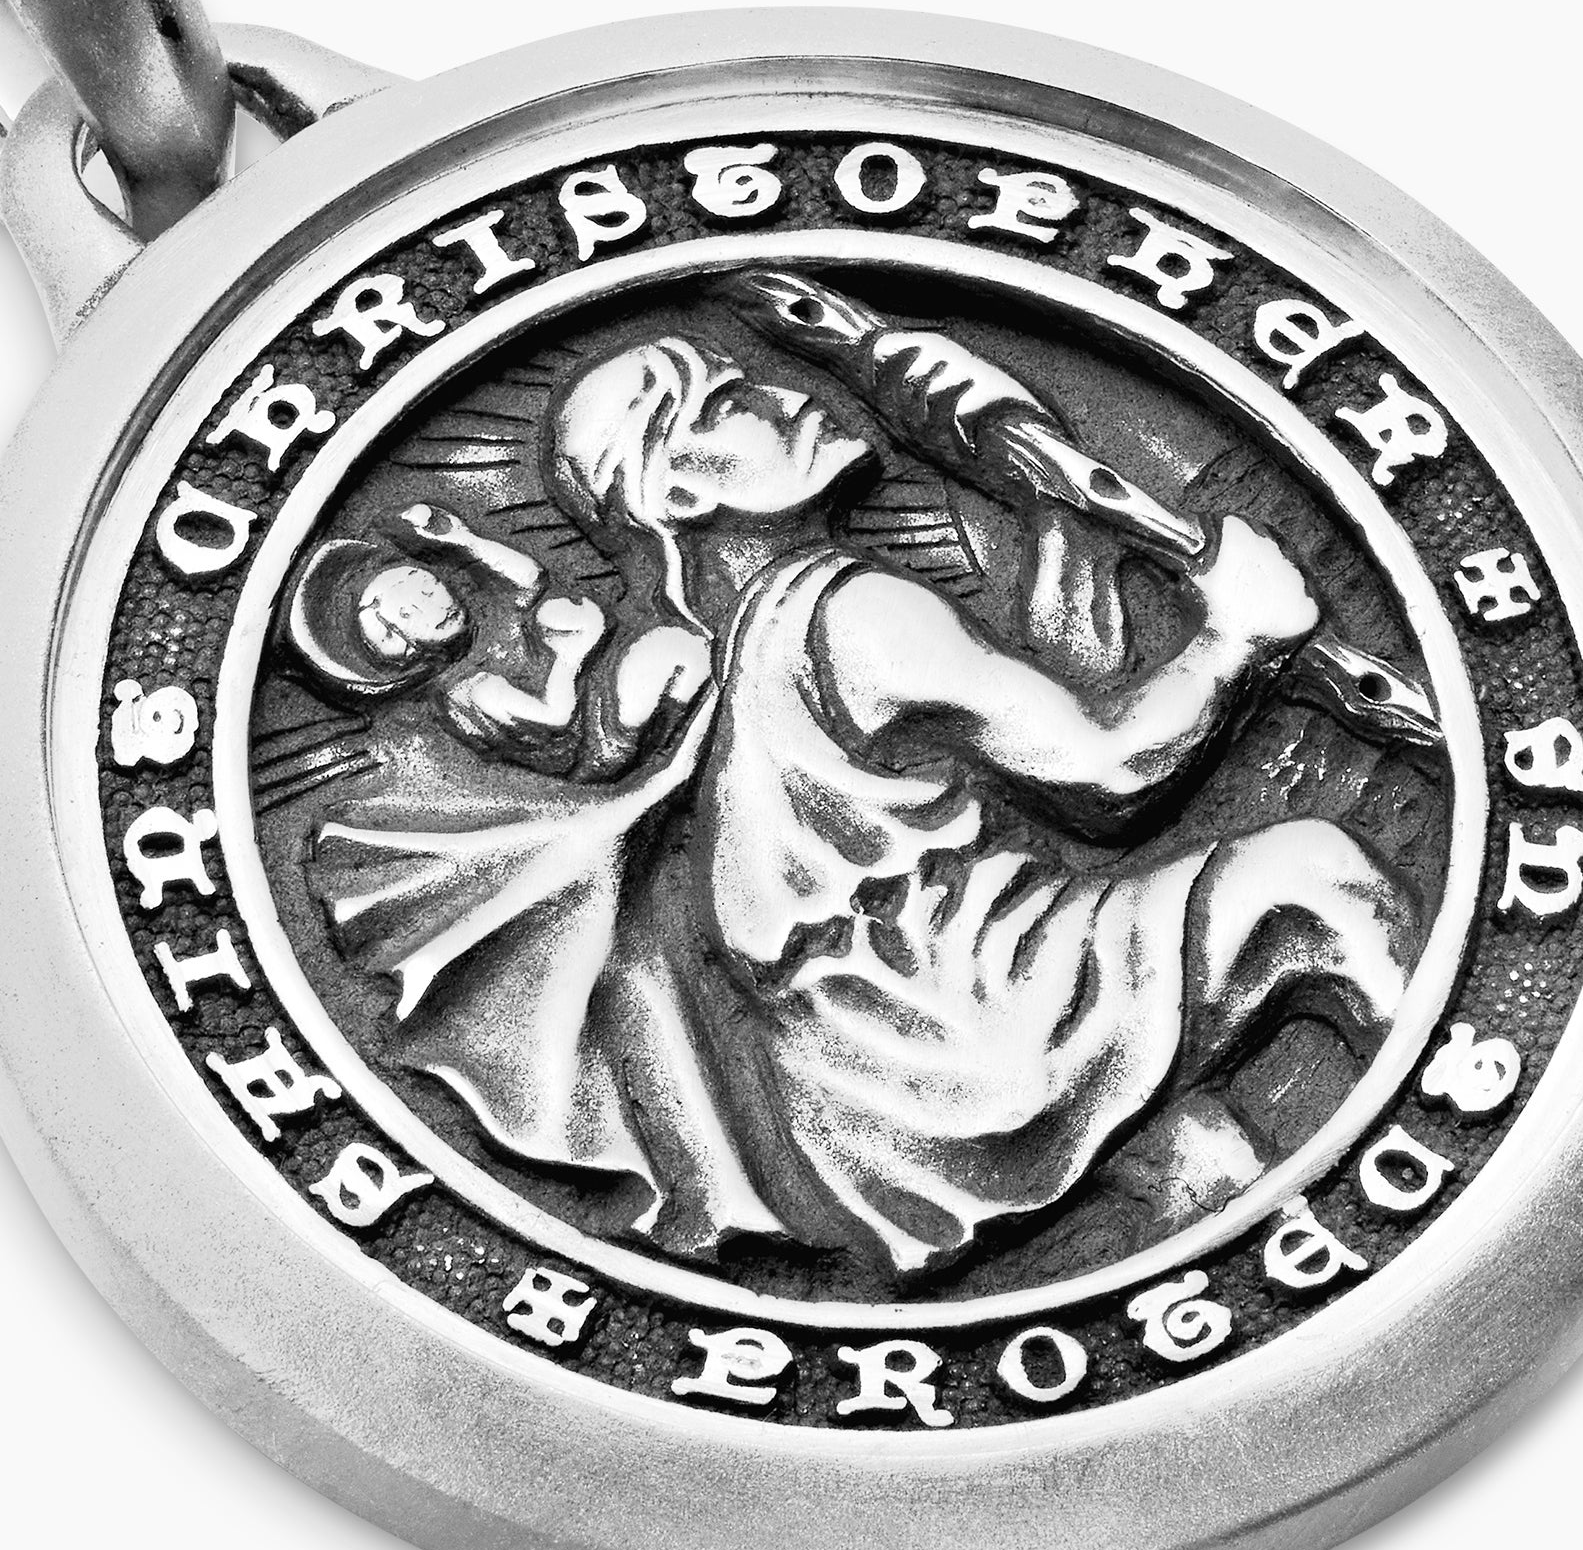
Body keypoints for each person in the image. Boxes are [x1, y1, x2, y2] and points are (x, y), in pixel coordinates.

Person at [308, 329, 1411, 1276]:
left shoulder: (700, 654)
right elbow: (1108, 774)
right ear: (678, 492)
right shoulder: (849, 608)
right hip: (977, 1000)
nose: (788, 393)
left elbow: (997, 720)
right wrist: (1238, 636)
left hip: (848, 1088)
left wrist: (1053, 535)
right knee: (1321, 882)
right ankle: (1448, 1100)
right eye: (730, 404)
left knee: (1195, 1162)